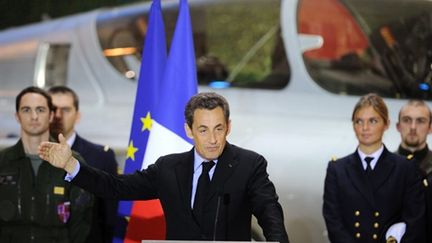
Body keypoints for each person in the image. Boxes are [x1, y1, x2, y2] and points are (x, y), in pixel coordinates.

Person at [38, 92, 290, 243]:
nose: (213, 139)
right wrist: (72, 164)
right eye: (203, 130)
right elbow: (116, 186)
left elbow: (269, 212)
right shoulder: (169, 168)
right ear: (188, 130)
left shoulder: (250, 164)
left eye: (219, 129)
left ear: (229, 127)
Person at [322, 93, 425, 243]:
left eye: (372, 121)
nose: (365, 128)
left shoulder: (405, 168)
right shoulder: (337, 169)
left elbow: (415, 221)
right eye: (359, 121)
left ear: (386, 124)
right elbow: (333, 221)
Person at [0, 86, 94, 243]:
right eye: (26, 110)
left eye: (40, 110)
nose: (34, 116)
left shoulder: (71, 163)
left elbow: (82, 220)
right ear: (17, 116)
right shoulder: (3, 162)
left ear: (51, 115)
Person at [48, 86, 119, 243]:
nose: (58, 115)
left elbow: (109, 216)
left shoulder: (100, 157)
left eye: (65, 110)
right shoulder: (32, 155)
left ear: (77, 116)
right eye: (52, 109)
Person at [396, 99, 432, 242]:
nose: (412, 126)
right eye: (406, 120)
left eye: (420, 121)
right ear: (398, 126)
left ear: (430, 127)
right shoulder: (381, 166)